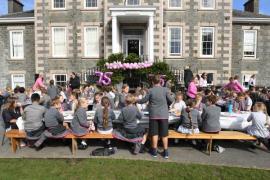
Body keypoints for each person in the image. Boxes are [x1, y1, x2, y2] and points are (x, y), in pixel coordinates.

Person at [137, 75, 174, 159]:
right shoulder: (165, 90)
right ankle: (166, 152)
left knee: (154, 133)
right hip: (164, 115)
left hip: (154, 114)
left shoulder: (150, 90)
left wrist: (136, 100)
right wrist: (166, 104)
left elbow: (144, 100)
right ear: (160, 82)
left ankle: (154, 151)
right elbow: (171, 100)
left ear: (152, 82)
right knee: (164, 134)